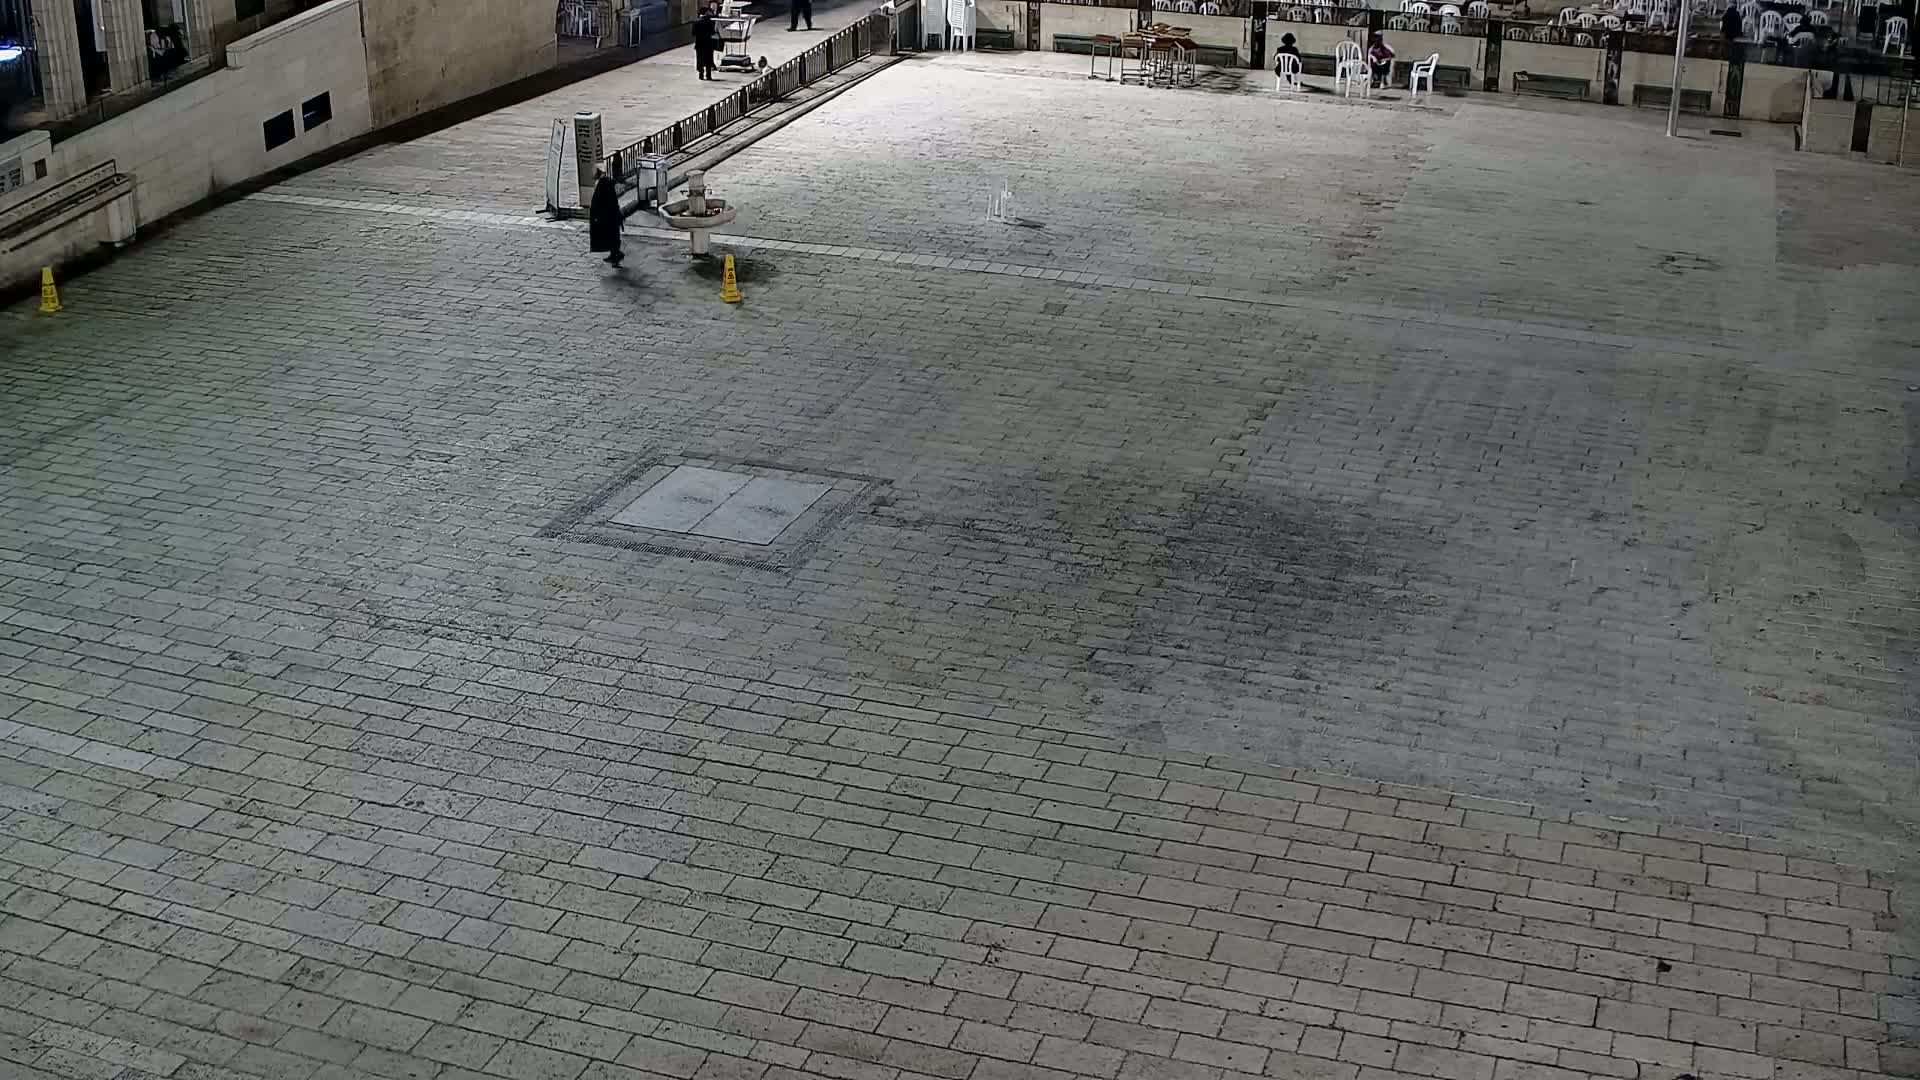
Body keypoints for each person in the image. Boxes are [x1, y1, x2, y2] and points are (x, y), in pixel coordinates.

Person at [589, 165, 623, 268]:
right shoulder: (604, 182)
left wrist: (597, 215)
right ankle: (614, 255)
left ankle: (616, 257)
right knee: (612, 236)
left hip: (609, 216)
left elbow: (603, 202)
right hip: (610, 215)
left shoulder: (604, 184)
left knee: (612, 236)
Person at [694, 3, 719, 79]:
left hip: (699, 44)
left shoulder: (696, 22)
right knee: (708, 59)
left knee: (700, 59)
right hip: (708, 43)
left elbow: (693, 33)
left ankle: (701, 74)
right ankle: (708, 75)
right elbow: (713, 32)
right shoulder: (710, 22)